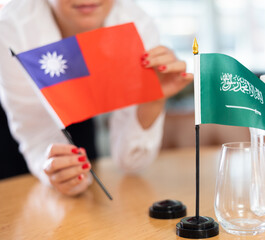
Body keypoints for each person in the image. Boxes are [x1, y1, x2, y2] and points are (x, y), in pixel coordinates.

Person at [0, 0, 193, 196]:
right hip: (15, 123)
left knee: (84, 180)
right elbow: (35, 134)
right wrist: (51, 167)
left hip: (81, 114)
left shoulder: (135, 22)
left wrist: (152, 99)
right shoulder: (14, 25)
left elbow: (131, 163)